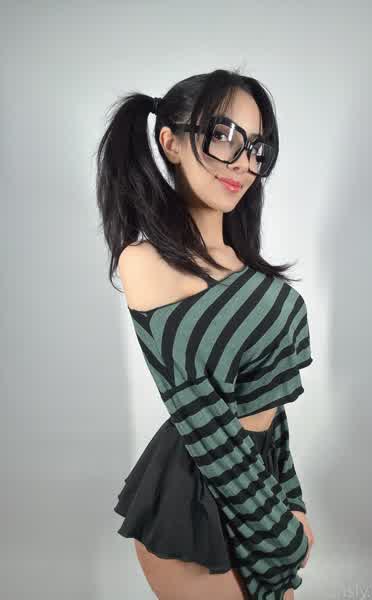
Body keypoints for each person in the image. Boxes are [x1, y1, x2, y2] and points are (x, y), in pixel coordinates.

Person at [95, 67, 315, 600]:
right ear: (170, 142)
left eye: (256, 147)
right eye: (223, 135)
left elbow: (268, 407)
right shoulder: (145, 261)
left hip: (258, 488)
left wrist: (292, 499)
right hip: (193, 496)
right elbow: (202, 417)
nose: (244, 162)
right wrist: (278, 534)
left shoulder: (248, 267)